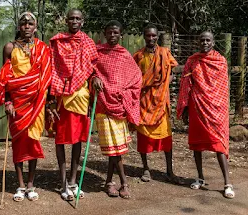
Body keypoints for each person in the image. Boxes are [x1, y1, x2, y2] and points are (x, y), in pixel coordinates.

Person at [0, 12, 51, 202]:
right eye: (23, 23)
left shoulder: (43, 48)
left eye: (30, 23)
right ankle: (20, 185)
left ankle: (30, 184)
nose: (27, 26)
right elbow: (5, 79)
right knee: (19, 143)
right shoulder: (10, 48)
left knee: (33, 141)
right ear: (19, 26)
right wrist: (8, 102)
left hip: (36, 103)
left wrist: (50, 103)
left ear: (35, 27)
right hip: (17, 105)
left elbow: (47, 79)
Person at [176, 31, 235, 199]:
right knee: (197, 144)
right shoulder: (192, 61)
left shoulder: (220, 61)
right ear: (198, 42)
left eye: (208, 40)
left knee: (219, 145)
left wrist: (222, 109)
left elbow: (223, 89)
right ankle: (200, 177)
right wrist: (185, 108)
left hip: (217, 109)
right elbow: (186, 84)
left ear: (213, 42)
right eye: (202, 40)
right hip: (197, 107)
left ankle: (227, 183)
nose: (205, 42)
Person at [49, 8, 98, 201]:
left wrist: (95, 79)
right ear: (67, 21)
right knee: (61, 140)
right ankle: (62, 184)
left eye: (78, 18)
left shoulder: (88, 42)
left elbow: (93, 68)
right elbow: (51, 70)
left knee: (78, 140)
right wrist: (51, 100)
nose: (74, 21)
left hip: (81, 98)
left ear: (83, 21)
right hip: (62, 97)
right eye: (71, 18)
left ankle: (73, 181)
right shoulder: (57, 42)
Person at [92, 20, 142, 199]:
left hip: (119, 106)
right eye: (109, 32)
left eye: (116, 32)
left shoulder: (125, 55)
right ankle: (123, 183)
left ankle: (109, 182)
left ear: (120, 34)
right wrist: (94, 78)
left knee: (116, 148)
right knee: (114, 148)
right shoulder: (97, 53)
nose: (112, 35)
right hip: (103, 105)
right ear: (104, 34)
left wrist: (123, 94)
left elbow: (136, 78)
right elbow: (89, 69)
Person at [133, 25, 180, 183]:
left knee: (166, 137)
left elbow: (172, 72)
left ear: (157, 37)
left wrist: (165, 84)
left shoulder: (165, 53)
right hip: (144, 102)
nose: (151, 38)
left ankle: (170, 170)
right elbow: (135, 78)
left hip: (161, 102)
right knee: (144, 137)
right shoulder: (138, 56)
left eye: (154, 36)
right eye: (148, 36)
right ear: (144, 36)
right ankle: (145, 169)